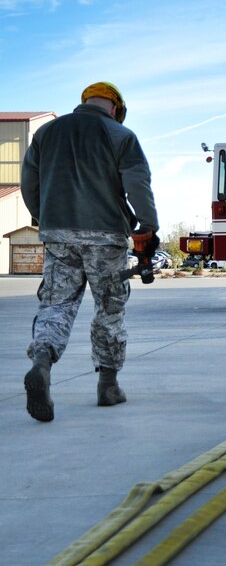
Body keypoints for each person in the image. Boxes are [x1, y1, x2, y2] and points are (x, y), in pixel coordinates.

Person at [20, 82, 159, 422]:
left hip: (58, 233)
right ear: (116, 108)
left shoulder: (47, 133)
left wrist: (44, 216)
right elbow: (137, 183)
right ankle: (108, 386)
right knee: (109, 308)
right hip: (105, 234)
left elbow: (29, 182)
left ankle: (42, 362)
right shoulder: (120, 135)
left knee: (56, 303)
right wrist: (148, 226)